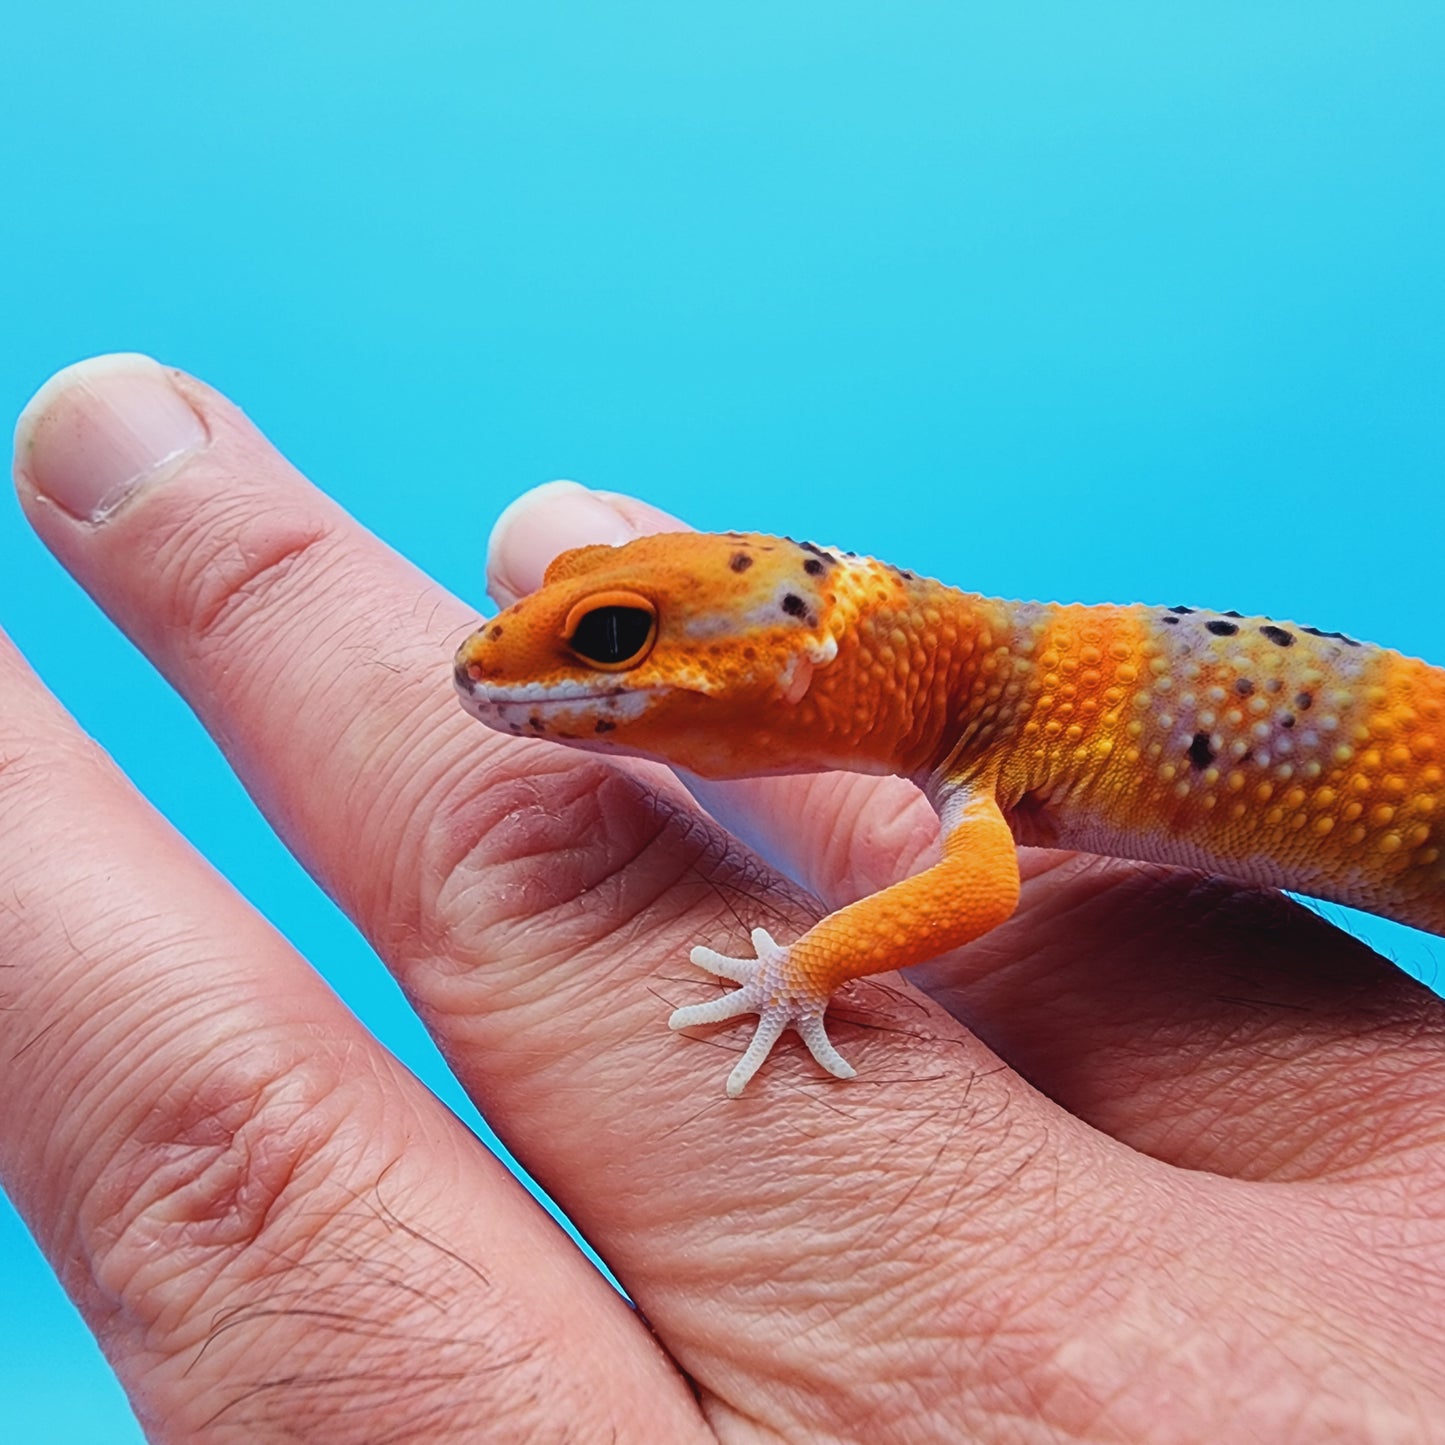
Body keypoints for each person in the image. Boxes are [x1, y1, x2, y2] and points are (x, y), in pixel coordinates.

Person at [6, 354, 1445, 1441]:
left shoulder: (984, 755)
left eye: (611, 638)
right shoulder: (972, 718)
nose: (503, 674)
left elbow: (974, 895)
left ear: (805, 660)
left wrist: (805, 969)